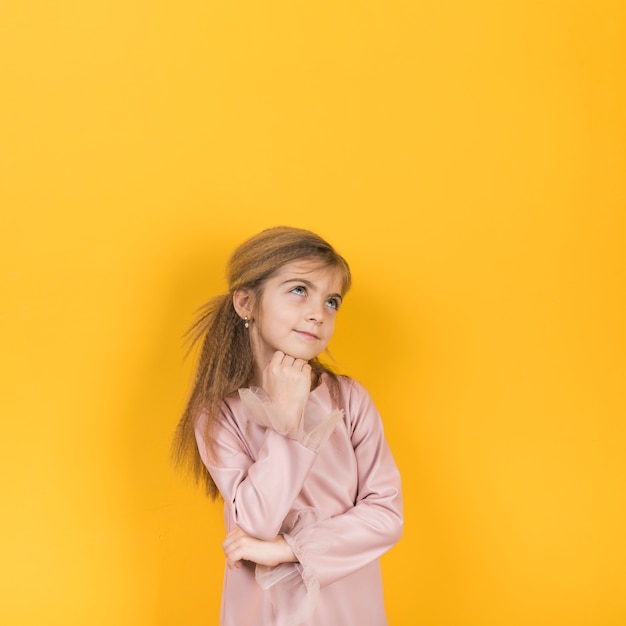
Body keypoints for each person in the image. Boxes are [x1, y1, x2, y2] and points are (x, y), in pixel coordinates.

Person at [172, 226, 403, 626]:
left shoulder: (348, 399)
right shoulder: (218, 414)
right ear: (246, 302)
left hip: (348, 607)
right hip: (264, 611)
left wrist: (288, 548)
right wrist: (286, 418)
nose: (318, 312)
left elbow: (386, 515)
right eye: (299, 290)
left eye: (332, 301)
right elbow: (255, 523)